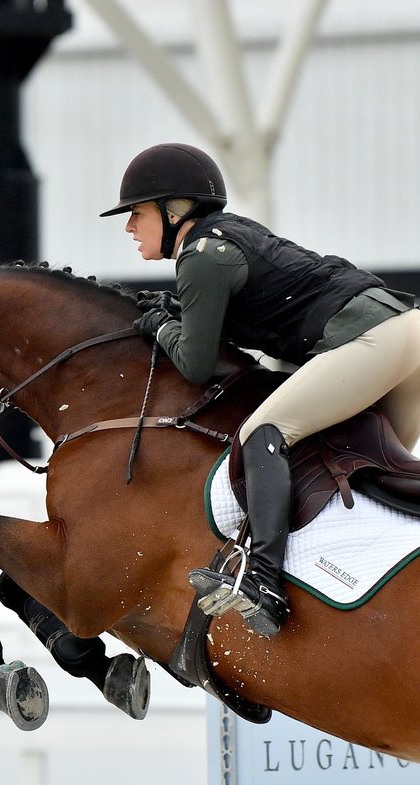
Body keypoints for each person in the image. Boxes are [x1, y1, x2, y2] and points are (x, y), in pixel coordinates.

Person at [101, 142, 420, 637]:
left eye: (136, 213)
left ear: (173, 211)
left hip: (371, 339)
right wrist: (176, 315)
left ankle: (264, 581)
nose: (128, 227)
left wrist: (160, 329)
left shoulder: (201, 256)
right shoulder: (231, 237)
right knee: (368, 471)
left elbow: (196, 364)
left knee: (263, 431)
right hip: (406, 333)